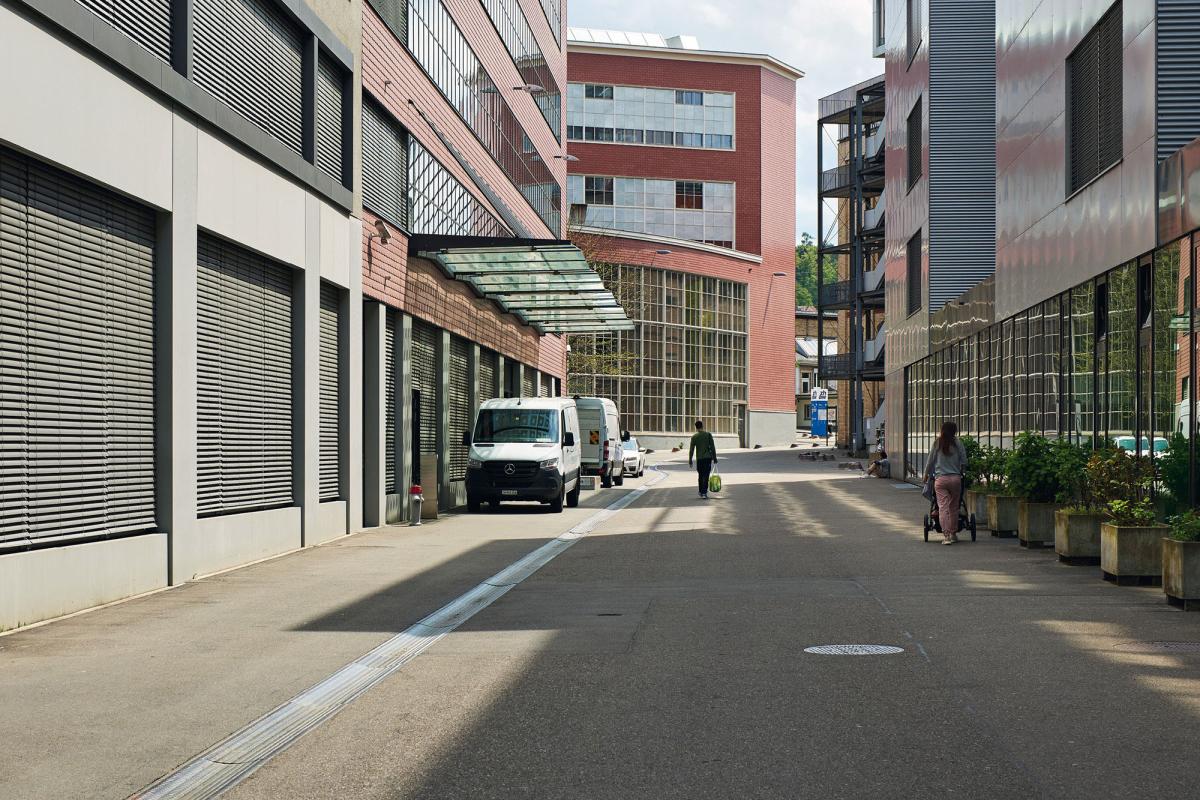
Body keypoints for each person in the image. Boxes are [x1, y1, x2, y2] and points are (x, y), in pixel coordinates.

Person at [925, 421, 967, 544]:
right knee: (954, 507)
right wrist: (962, 471)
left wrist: (926, 475)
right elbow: (964, 460)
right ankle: (953, 534)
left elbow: (930, 461)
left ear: (942, 430)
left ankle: (946, 536)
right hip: (955, 479)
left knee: (943, 507)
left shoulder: (937, 442)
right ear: (955, 431)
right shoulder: (958, 443)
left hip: (941, 480)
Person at [688, 419, 718, 499]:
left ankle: (701, 491)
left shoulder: (694, 437)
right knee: (706, 475)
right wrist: (715, 458)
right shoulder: (708, 435)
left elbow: (691, 450)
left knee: (701, 475)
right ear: (702, 426)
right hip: (708, 458)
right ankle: (704, 492)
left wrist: (690, 460)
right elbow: (712, 447)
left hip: (700, 459)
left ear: (696, 427)